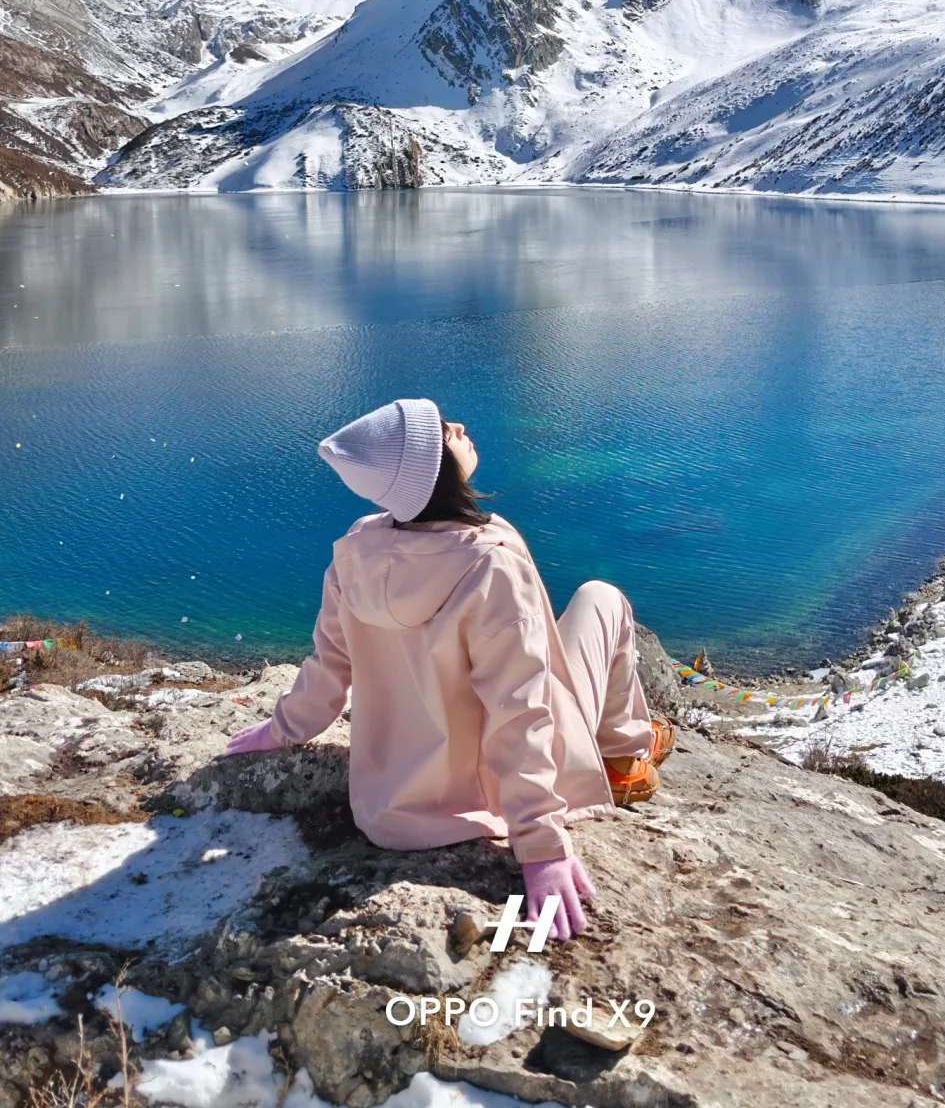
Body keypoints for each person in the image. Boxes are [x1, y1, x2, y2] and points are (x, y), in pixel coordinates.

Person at [225, 398, 674, 941]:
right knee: (601, 598)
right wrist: (541, 847)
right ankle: (624, 755)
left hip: (390, 807)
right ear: (430, 470)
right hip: (485, 798)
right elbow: (520, 709)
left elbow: (329, 665)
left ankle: (628, 747)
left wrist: (282, 729)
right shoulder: (489, 562)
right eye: (442, 430)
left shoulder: (356, 550)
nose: (459, 426)